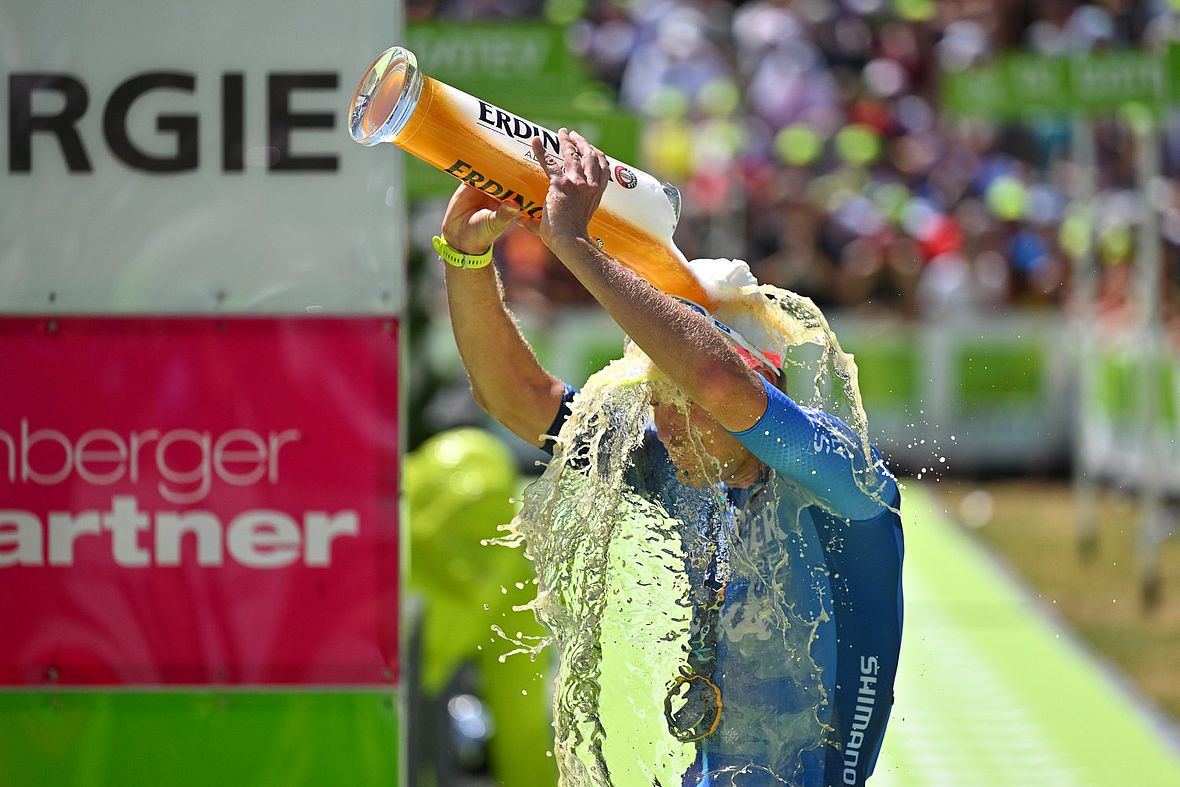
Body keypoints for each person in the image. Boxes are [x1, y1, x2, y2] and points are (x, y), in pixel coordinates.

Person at [434, 128, 903, 787]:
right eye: (655, 396)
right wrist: (465, 258)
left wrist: (573, 242)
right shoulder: (669, 470)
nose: (664, 423)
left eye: (677, 397)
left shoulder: (839, 475)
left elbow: (716, 380)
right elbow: (515, 398)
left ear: (763, 377)